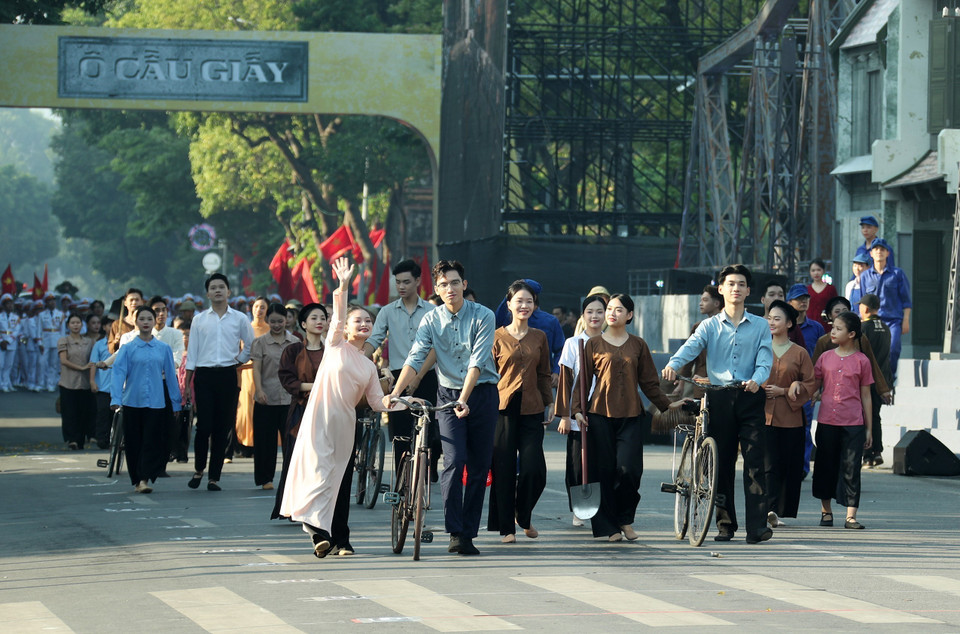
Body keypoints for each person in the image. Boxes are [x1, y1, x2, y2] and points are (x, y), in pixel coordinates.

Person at [280, 258, 403, 558]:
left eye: (368, 322)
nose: (364, 324)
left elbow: (376, 402)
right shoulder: (335, 345)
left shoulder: (369, 366)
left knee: (338, 479)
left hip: (345, 424)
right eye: (357, 320)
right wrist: (344, 285)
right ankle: (317, 531)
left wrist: (401, 400)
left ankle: (338, 539)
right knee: (319, 474)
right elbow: (335, 316)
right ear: (345, 328)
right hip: (319, 417)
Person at [385, 259, 500, 556]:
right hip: (448, 395)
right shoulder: (431, 320)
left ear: (464, 284)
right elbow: (415, 357)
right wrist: (395, 394)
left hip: (482, 393)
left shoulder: (484, 315)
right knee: (453, 460)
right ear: (436, 289)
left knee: (478, 467)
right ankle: (454, 530)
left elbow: (477, 361)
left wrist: (465, 397)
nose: (450, 288)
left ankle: (469, 533)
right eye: (443, 284)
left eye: (455, 282)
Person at [663, 264, 774, 544]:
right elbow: (691, 346)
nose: (736, 289)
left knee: (755, 463)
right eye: (731, 284)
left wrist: (757, 379)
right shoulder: (709, 326)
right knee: (721, 462)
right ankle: (725, 524)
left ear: (749, 291)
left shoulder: (760, 325)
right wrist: (673, 365)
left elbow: (765, 359)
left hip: (749, 395)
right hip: (718, 396)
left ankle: (757, 527)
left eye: (741, 284)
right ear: (721, 289)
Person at [572, 293, 677, 542]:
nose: (611, 313)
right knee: (604, 471)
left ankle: (625, 519)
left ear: (629, 315)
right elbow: (583, 381)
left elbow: (650, 383)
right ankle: (609, 527)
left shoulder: (638, 345)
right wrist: (577, 409)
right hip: (599, 414)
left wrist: (668, 405)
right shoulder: (593, 344)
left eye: (618, 310)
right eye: (609, 308)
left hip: (631, 415)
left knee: (630, 470)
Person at [489, 280, 553, 543]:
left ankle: (523, 514)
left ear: (535, 306)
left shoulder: (540, 337)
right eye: (519, 301)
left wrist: (549, 403)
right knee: (503, 468)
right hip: (502, 408)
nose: (524, 305)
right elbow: (486, 374)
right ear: (509, 305)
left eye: (529, 301)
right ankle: (507, 528)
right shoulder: (496, 337)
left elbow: (544, 373)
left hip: (533, 408)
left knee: (534, 469)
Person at [363, 258, 440, 477]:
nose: (401, 287)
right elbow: (375, 339)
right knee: (401, 435)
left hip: (426, 375)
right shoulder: (387, 311)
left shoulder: (431, 312)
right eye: (398, 282)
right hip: (397, 378)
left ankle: (425, 473)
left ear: (418, 281)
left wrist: (417, 378)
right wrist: (357, 358)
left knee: (429, 430)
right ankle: (401, 481)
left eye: (406, 281)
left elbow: (435, 347)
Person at [184, 273, 255, 492]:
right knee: (203, 426)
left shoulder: (240, 318)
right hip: (204, 375)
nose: (217, 291)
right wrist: (187, 383)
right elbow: (192, 352)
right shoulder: (199, 319)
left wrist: (239, 361)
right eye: (213, 287)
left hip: (227, 375)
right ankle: (198, 469)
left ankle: (214, 476)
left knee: (222, 428)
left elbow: (250, 345)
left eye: (221, 287)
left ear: (228, 292)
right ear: (207, 293)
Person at [110, 306, 181, 494]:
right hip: (132, 401)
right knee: (134, 442)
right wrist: (115, 398)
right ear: (135, 322)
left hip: (157, 402)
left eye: (149, 318)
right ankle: (137, 479)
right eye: (142, 319)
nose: (146, 322)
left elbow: (171, 377)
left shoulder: (163, 348)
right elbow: (118, 374)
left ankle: (145, 477)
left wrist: (176, 401)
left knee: (152, 440)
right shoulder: (127, 349)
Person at [812, 311, 873, 530]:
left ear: (852, 334)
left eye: (838, 329)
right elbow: (814, 384)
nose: (833, 332)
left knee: (851, 467)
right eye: (833, 327)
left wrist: (869, 429)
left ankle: (850, 516)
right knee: (825, 466)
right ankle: (826, 511)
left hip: (853, 423)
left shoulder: (862, 361)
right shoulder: (825, 358)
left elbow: (866, 395)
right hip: (827, 420)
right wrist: (806, 391)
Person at [762, 300, 815, 528]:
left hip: (790, 418)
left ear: (789, 323)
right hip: (762, 416)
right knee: (766, 466)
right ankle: (765, 509)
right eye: (770, 318)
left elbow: (811, 384)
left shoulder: (800, 353)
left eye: (777, 319)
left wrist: (787, 389)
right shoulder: (760, 348)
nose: (772, 322)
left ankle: (777, 510)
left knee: (786, 467)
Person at [272, 302, 328, 520]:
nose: (319, 321)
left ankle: (319, 507)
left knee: (322, 462)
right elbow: (288, 380)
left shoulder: (332, 351)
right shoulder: (293, 350)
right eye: (314, 318)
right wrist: (315, 386)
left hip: (327, 410)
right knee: (298, 460)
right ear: (303, 324)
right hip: (301, 411)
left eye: (323, 317)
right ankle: (294, 506)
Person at [556, 294, 607, 527]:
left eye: (599, 311)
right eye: (590, 312)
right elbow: (566, 382)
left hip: (605, 412)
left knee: (602, 462)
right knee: (577, 464)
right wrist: (565, 415)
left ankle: (603, 508)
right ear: (583, 316)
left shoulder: (612, 342)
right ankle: (578, 508)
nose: (595, 316)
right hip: (578, 414)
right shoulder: (573, 343)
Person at [250, 303, 298, 490]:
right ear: (267, 321)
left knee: (291, 442)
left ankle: (291, 478)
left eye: (281, 321)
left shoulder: (294, 342)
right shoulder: (260, 342)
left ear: (287, 320)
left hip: (289, 398)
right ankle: (265, 478)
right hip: (266, 398)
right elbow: (256, 369)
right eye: (273, 321)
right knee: (265, 442)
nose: (277, 325)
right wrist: (259, 390)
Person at [860, 237, 910, 383]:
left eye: (882, 249)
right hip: (872, 321)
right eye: (876, 249)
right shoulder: (865, 276)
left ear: (888, 253)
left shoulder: (897, 274)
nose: (879, 252)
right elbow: (863, 301)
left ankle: (889, 379)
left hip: (893, 320)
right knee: (870, 352)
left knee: (893, 349)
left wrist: (906, 320)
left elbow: (906, 300)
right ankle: (873, 381)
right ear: (871, 253)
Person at [857, 294, 892, 467]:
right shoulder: (886, 327)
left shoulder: (863, 327)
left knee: (863, 415)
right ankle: (877, 451)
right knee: (875, 415)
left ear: (866, 309)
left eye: (860, 306)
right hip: (882, 379)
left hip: (866, 379)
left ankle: (866, 452)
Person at [233, 296, 269, 461]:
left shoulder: (271, 329)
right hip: (246, 372)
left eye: (262, 307)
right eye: (256, 307)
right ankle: (243, 444)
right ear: (251, 308)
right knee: (245, 409)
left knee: (260, 408)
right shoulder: (245, 328)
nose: (259, 310)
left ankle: (258, 444)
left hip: (264, 374)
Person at [58, 313, 95, 450]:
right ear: (68, 325)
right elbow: (63, 360)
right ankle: (71, 439)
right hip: (68, 382)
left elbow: (92, 359)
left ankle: (80, 439)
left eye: (78, 323)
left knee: (83, 412)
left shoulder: (89, 341)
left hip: (84, 382)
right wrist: (81, 367)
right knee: (69, 412)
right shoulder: (63, 341)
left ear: (82, 324)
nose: (75, 325)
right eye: (72, 323)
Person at [87, 313, 112, 449]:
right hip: (103, 386)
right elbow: (93, 363)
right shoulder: (99, 344)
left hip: (120, 386)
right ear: (104, 327)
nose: (112, 327)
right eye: (109, 324)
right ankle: (102, 439)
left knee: (116, 415)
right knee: (103, 413)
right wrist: (92, 381)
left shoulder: (124, 342)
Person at [39, 293, 64, 392]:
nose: (52, 302)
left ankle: (51, 383)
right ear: (46, 303)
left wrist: (62, 343)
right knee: (42, 363)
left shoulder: (60, 314)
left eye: (53, 300)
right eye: (49, 301)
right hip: (45, 340)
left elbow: (62, 331)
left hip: (56, 339)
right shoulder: (41, 314)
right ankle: (41, 383)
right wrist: (39, 343)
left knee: (53, 364)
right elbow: (39, 330)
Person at [107, 289, 144, 353]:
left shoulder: (147, 323)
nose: (134, 302)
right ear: (125, 303)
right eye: (131, 300)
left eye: (137, 300)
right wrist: (115, 342)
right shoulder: (117, 324)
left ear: (142, 302)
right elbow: (111, 349)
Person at [806, 259, 837, 330]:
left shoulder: (831, 289)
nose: (816, 273)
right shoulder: (806, 289)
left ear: (823, 271)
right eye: (813, 270)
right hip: (810, 324)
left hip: (826, 324)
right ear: (810, 272)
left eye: (818, 270)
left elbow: (835, 306)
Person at [0, 293, 21, 392]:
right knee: (1, 364)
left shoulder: (16, 318)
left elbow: (16, 331)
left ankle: (6, 383)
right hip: (1, 343)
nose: (10, 306)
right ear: (3, 306)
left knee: (9, 365)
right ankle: (2, 383)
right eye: (7, 304)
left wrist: (8, 341)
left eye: (11, 303)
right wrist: (1, 341)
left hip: (11, 343)